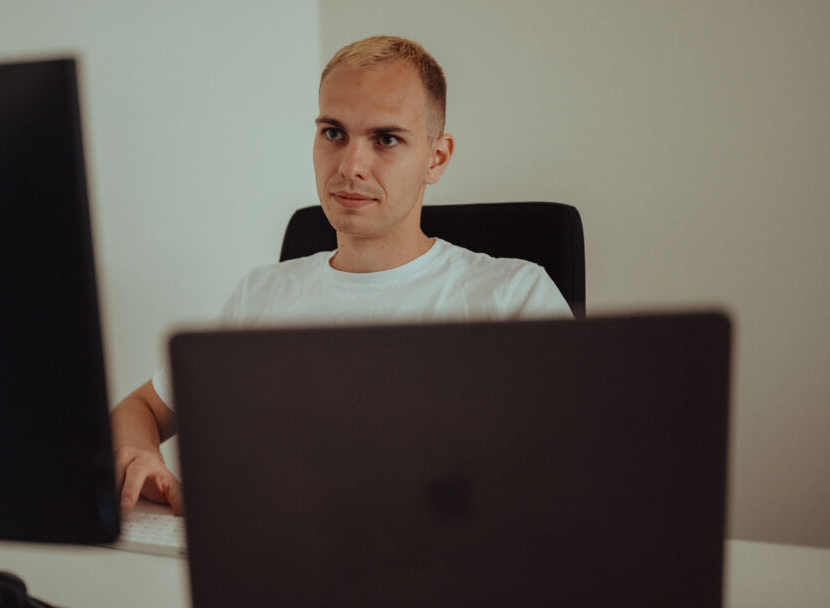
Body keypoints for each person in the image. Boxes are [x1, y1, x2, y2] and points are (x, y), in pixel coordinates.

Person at [109, 36, 571, 516]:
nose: (351, 166)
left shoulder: (514, 296)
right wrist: (140, 454)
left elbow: (580, 469)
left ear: (436, 158)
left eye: (386, 139)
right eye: (334, 133)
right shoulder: (263, 293)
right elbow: (138, 408)